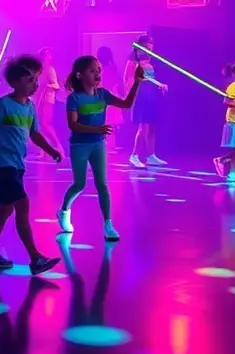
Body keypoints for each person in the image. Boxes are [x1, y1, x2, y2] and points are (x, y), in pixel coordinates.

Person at [0, 57, 61, 275]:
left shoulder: (30, 107)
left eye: (36, 79)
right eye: (30, 80)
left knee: (5, 210)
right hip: (2, 166)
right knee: (22, 206)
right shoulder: (4, 104)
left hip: (16, 165)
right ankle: (35, 257)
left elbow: (34, 133)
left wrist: (50, 150)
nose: (35, 84)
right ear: (14, 82)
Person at [57, 54, 144, 240]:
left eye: (98, 70)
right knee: (79, 184)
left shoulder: (103, 94)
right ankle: (64, 211)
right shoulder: (74, 99)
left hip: (98, 144)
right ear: (80, 75)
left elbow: (126, 104)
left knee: (102, 184)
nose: (97, 73)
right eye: (92, 70)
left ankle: (108, 224)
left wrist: (136, 82)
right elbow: (72, 125)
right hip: (79, 145)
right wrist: (97, 128)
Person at [124, 35, 167, 169]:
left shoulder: (149, 61)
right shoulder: (135, 59)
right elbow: (129, 78)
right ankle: (134, 155)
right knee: (143, 127)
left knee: (152, 125)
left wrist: (160, 85)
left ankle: (150, 155)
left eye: (152, 43)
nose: (151, 46)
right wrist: (130, 94)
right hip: (140, 95)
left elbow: (148, 79)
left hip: (150, 95)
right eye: (149, 43)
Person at [36, 47, 63, 157]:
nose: (49, 57)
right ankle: (44, 149)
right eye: (47, 55)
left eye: (49, 55)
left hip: (48, 99)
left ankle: (58, 146)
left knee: (46, 124)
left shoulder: (50, 69)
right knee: (41, 125)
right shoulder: (40, 70)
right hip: (41, 99)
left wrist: (46, 86)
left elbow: (56, 85)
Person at [97, 46, 123, 152]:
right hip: (109, 94)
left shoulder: (108, 69)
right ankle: (110, 144)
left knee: (108, 120)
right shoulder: (110, 68)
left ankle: (110, 144)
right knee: (108, 120)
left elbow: (108, 83)